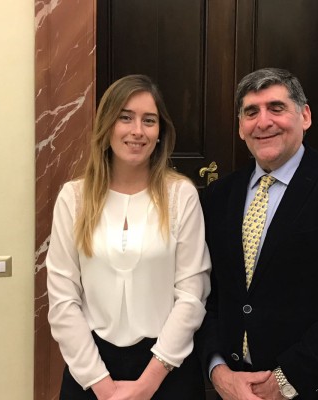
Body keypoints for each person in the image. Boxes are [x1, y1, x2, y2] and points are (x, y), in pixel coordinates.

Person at [196, 68, 318, 400]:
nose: (263, 122)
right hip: (235, 391)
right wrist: (218, 371)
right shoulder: (219, 196)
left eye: (276, 108)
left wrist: (283, 382)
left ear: (305, 116)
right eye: (251, 112)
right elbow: (207, 296)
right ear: (241, 127)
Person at [47, 74, 211, 399]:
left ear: (160, 132)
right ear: (107, 126)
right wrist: (102, 385)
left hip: (167, 369)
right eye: (125, 117)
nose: (137, 130)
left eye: (149, 120)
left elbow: (192, 294)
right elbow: (63, 299)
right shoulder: (74, 198)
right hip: (91, 371)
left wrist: (147, 383)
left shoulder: (181, 195)